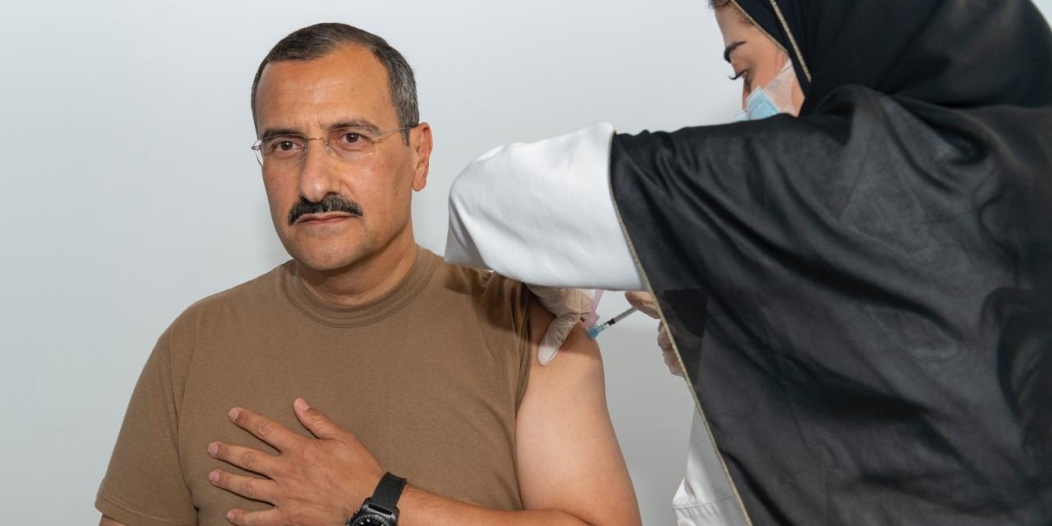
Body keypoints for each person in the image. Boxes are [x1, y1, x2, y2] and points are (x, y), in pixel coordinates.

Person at [445, 0, 1052, 525]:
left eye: (744, 67)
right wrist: (731, 329)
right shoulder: (1023, 170)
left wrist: (561, 274)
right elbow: (921, 384)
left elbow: (487, 200)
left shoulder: (822, 174)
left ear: (817, 40)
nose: (745, 102)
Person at [96, 23, 641, 526]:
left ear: (419, 154)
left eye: (351, 138)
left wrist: (376, 501)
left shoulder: (529, 328)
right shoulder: (195, 344)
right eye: (285, 145)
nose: (313, 183)